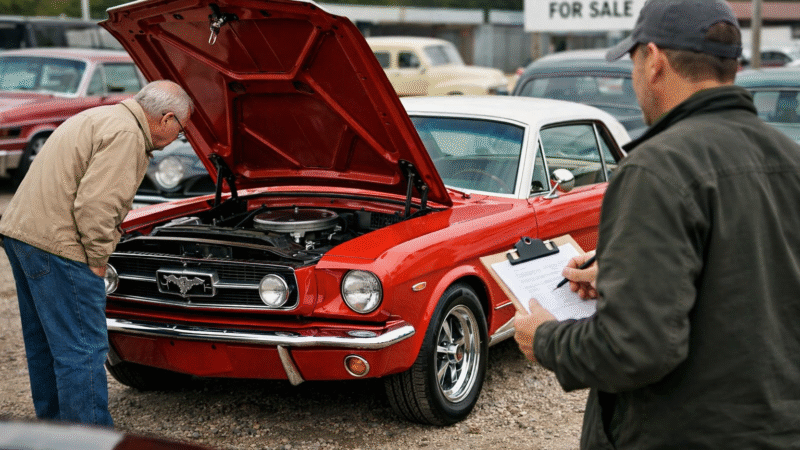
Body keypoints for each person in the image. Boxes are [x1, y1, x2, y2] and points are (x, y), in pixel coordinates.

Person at [513, 0, 800, 448]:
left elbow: (635, 348)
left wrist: (546, 338)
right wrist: (627, 276)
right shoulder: (790, 159)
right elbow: (750, 284)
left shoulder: (656, 168)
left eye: (632, 62)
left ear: (654, 62)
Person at [0, 80, 193, 426]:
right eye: (181, 129)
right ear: (166, 119)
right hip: (60, 246)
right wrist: (98, 261)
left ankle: (55, 432)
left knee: (45, 344)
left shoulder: (102, 116)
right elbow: (97, 207)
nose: (179, 137)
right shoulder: (128, 136)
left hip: (23, 234)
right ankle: (88, 439)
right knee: (82, 349)